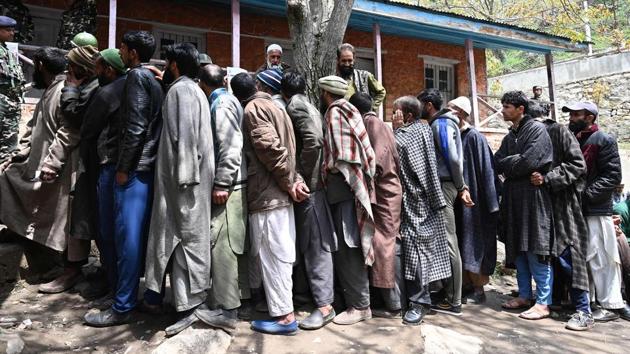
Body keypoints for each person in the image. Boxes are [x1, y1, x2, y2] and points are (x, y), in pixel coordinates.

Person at [84, 30, 164, 327]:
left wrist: (124, 167)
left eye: (122, 47)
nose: (120, 50)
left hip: (132, 169)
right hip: (137, 168)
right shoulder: (152, 79)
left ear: (131, 52)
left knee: (126, 239)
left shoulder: (136, 78)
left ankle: (123, 306)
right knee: (120, 236)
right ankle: (122, 295)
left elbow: (136, 125)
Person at [141, 43, 215, 336]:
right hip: (186, 183)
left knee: (183, 244)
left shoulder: (181, 92)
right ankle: (173, 302)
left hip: (184, 185)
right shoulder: (192, 89)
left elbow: (184, 137)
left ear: (173, 65)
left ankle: (189, 309)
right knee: (180, 243)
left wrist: (184, 178)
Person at [231, 72, 307, 335]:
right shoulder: (277, 106)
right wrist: (293, 180)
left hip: (268, 196)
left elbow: (271, 150)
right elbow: (289, 150)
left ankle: (285, 319)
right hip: (280, 194)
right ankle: (283, 311)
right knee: (281, 256)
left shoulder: (253, 109)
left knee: (274, 257)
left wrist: (288, 182)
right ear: (257, 86)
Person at [0, 47, 82, 282]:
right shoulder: (51, 90)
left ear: (39, 66)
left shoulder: (61, 91)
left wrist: (52, 163)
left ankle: (51, 265)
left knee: (48, 214)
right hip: (36, 161)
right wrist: (20, 154)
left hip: (53, 167)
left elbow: (68, 131)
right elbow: (34, 129)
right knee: (6, 178)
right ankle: (18, 231)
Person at [37, 43, 99, 294]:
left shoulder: (84, 90)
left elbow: (71, 129)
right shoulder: (81, 87)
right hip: (78, 162)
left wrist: (52, 162)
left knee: (73, 219)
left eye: (73, 65)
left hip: (79, 164)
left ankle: (71, 271)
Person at [527, 100, 593, 330]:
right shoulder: (525, 135)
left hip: (564, 204)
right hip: (542, 205)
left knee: (569, 255)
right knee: (548, 254)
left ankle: (583, 311)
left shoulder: (559, 132)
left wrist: (549, 178)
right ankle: (553, 301)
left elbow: (578, 164)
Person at [281, 71, 337, 330]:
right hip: (315, 187)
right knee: (308, 244)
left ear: (283, 92)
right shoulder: (310, 104)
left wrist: (301, 175)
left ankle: (325, 306)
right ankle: (309, 296)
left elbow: (313, 142)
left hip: (311, 188)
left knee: (316, 247)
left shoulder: (295, 106)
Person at [564, 102, 630, 322]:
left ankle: (610, 305)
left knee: (602, 257)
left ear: (590, 117)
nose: (571, 118)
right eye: (571, 114)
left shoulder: (603, 139)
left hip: (596, 209)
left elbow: (612, 176)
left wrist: (586, 195)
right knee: (584, 258)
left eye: (576, 114)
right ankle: (590, 302)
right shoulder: (576, 139)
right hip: (578, 210)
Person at [318, 75, 376, 325]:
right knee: (349, 244)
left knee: (349, 245)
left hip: (344, 187)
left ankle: (360, 306)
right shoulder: (351, 109)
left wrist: (328, 168)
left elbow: (341, 153)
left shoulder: (334, 112)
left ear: (326, 94)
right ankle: (355, 301)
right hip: (353, 186)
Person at [197, 64, 250, 328]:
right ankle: (238, 302)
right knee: (233, 245)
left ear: (201, 83)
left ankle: (228, 311)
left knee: (224, 247)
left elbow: (230, 147)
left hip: (230, 187)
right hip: (234, 185)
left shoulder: (221, 105)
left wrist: (221, 183)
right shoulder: (228, 100)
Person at [393, 95, 451, 325]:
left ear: (407, 116)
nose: (392, 116)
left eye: (396, 112)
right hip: (421, 202)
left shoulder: (410, 133)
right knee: (420, 252)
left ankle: (420, 302)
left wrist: (397, 130)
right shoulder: (423, 128)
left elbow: (400, 151)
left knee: (417, 253)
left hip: (418, 202)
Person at [496, 91, 554, 320]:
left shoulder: (537, 130)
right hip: (514, 197)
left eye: (507, 107)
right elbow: (497, 161)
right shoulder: (512, 135)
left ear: (521, 109)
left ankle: (543, 302)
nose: (503, 111)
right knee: (518, 247)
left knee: (535, 248)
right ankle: (524, 294)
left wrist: (511, 163)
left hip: (533, 198)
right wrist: (514, 162)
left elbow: (530, 161)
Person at [77, 48, 127, 305]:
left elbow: (88, 129)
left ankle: (113, 285)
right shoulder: (134, 84)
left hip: (108, 167)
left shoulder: (107, 92)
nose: (95, 74)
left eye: (98, 68)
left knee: (107, 230)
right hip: (129, 168)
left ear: (108, 69)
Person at [417, 88, 473, 315]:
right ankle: (448, 293)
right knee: (445, 239)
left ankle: (454, 299)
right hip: (447, 184)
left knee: (449, 241)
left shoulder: (441, 124)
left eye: (421, 104)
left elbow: (452, 157)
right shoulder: (444, 123)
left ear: (429, 105)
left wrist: (461, 186)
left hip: (443, 185)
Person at [349, 92, 403, 318]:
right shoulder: (380, 123)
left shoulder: (371, 122)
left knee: (384, 245)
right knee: (384, 243)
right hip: (388, 190)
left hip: (384, 192)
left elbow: (377, 162)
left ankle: (394, 304)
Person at [448, 96, 500, 305]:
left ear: (461, 113)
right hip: (457, 198)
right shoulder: (454, 135)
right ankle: (466, 285)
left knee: (473, 242)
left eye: (451, 109)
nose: (448, 113)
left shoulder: (474, 137)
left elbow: (486, 171)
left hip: (474, 200)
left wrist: (489, 202)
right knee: (460, 240)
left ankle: (478, 288)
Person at [0, 16, 24, 163]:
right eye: (8, 30)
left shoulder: (6, 49)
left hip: (11, 102)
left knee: (9, 148)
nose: (12, 33)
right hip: (2, 100)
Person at [336, 43, 386, 112]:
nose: (347, 64)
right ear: (338, 60)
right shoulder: (334, 80)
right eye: (344, 61)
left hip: (362, 119)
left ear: (354, 59)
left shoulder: (364, 76)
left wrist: (371, 108)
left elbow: (381, 92)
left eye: (350, 60)